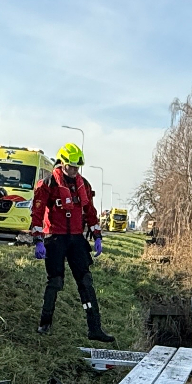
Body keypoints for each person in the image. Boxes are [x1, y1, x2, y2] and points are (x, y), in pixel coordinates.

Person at [30, 143, 115, 342]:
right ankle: (45, 323)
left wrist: (97, 236)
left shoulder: (83, 185)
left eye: (77, 167)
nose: (74, 170)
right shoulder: (48, 184)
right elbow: (37, 213)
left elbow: (90, 212)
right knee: (55, 282)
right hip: (55, 238)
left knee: (86, 283)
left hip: (76, 239)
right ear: (62, 163)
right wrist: (38, 240)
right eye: (71, 166)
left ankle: (95, 328)